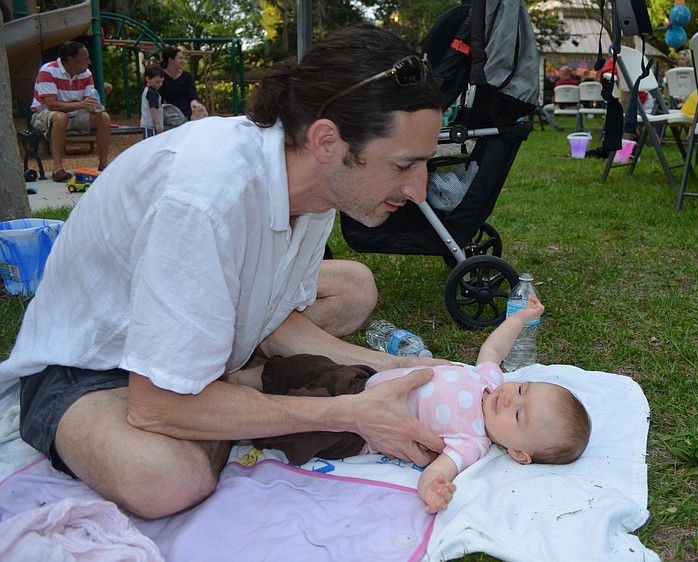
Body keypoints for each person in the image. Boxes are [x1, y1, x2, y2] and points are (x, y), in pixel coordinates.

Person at [1, 25, 449, 520]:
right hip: (90, 368)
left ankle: (227, 389)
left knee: (354, 287)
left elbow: (277, 319)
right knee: (166, 480)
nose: (419, 190)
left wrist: (399, 370)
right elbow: (155, 407)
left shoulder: (317, 190)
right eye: (404, 164)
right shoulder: (204, 198)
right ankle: (231, 392)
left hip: (197, 340)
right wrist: (343, 412)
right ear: (327, 140)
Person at [243, 295, 591, 513]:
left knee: (293, 417)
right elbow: (494, 351)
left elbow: (437, 471)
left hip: (353, 431)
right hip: (360, 380)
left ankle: (243, 417)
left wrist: (433, 492)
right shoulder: (490, 381)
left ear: (518, 453)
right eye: (524, 388)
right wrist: (517, 320)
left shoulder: (472, 443)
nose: (511, 397)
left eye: (518, 413)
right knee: (297, 368)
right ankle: (239, 383)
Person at [30, 41, 111, 182]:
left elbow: (88, 101)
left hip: (75, 112)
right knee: (61, 118)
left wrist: (95, 108)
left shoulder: (86, 74)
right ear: (70, 60)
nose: (89, 62)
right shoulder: (48, 71)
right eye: (85, 59)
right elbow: (51, 104)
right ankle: (57, 168)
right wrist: (82, 104)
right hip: (45, 112)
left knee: (104, 117)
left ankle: (103, 165)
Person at [158, 46, 209, 126]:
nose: (183, 61)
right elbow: (159, 101)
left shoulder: (187, 76)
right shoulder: (161, 78)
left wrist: (195, 105)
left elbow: (193, 98)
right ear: (171, 60)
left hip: (188, 111)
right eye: (180, 58)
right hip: (172, 113)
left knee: (201, 113)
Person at [543, 65, 581, 131]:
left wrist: (555, 103)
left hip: (560, 106)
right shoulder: (576, 83)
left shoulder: (558, 84)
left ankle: (555, 127)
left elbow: (554, 99)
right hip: (574, 106)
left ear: (563, 74)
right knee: (582, 108)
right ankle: (580, 128)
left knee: (546, 109)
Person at [140, 64, 166, 138]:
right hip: (151, 125)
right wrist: (157, 123)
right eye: (157, 82)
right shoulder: (152, 93)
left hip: (150, 125)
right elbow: (153, 108)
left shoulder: (148, 91)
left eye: (161, 82)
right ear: (148, 79)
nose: (160, 84)